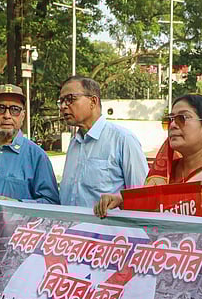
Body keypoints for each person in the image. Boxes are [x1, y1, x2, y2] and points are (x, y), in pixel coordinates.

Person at [93, 93, 202, 221]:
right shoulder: (166, 174)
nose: (173, 125)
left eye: (182, 118)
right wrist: (120, 201)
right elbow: (149, 211)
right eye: (169, 120)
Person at [58, 76, 147, 208]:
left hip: (108, 228)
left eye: (70, 99)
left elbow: (142, 195)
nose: (63, 106)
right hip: (71, 226)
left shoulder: (123, 140)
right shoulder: (74, 143)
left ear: (93, 101)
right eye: (61, 101)